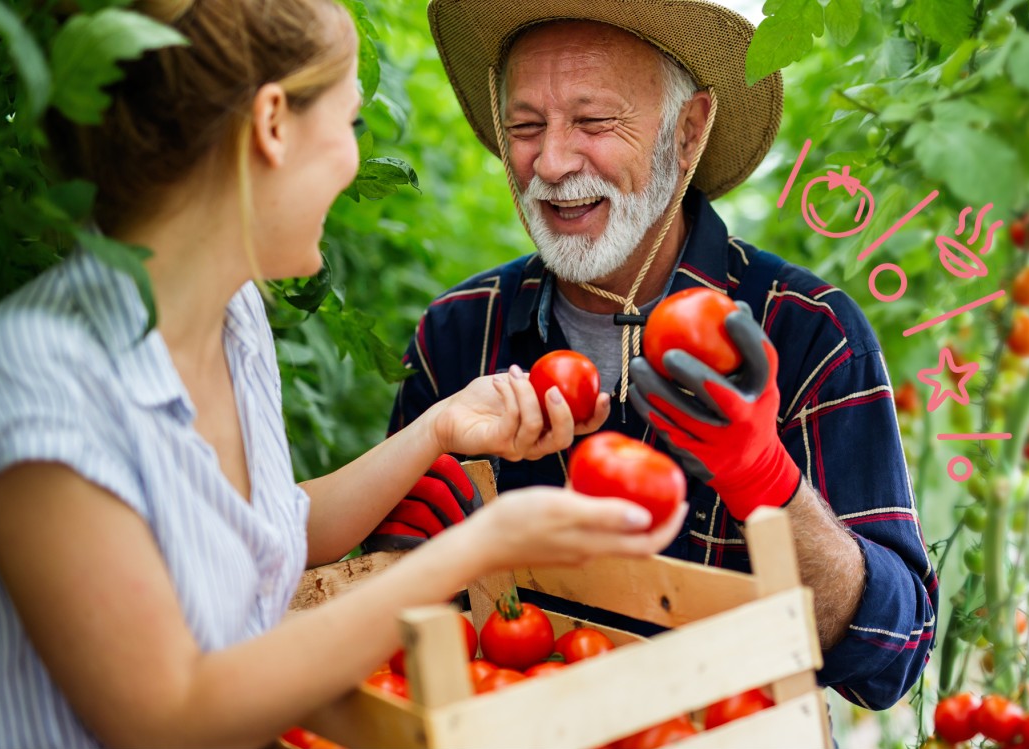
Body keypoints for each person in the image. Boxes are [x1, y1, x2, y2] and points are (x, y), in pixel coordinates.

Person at [0, 1, 684, 746]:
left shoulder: (233, 318)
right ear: (272, 127)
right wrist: (483, 545)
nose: (355, 159)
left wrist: (440, 429)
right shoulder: (45, 379)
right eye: (350, 123)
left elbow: (271, 530)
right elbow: (168, 718)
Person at [368, 0, 938, 709]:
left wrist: (766, 480)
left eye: (594, 122)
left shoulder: (806, 332)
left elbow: (892, 652)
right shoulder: (460, 335)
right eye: (524, 126)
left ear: (688, 130)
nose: (550, 162)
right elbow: (389, 597)